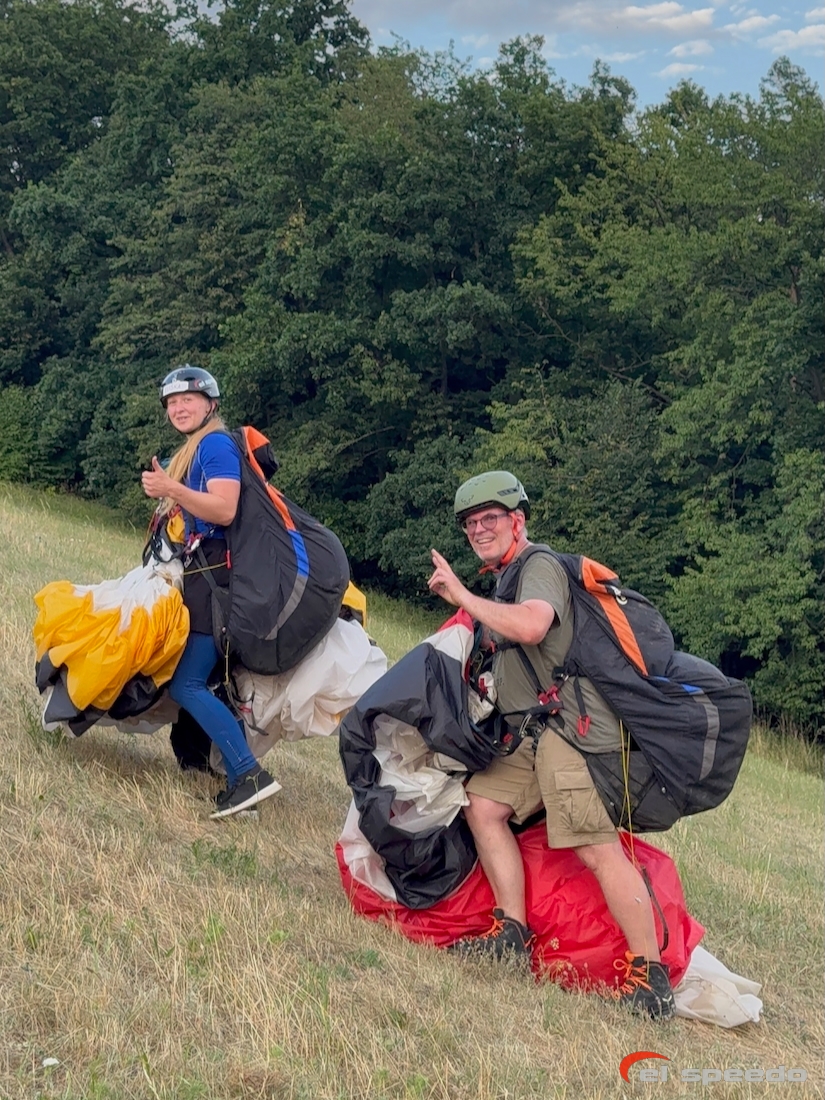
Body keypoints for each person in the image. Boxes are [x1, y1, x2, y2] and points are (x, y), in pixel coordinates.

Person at [427, 471, 675, 1020]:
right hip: (535, 732)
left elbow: (535, 627)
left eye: (490, 519)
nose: (479, 530)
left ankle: (649, 976)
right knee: (483, 806)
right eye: (471, 524)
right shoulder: (506, 576)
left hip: (571, 731)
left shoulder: (537, 565)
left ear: (518, 520)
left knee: (593, 845)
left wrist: (463, 595)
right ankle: (511, 933)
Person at [141, 365, 278, 819]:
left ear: (210, 405)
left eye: (188, 400)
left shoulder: (215, 444)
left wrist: (171, 488)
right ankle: (231, 775)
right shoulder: (197, 447)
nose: (179, 408)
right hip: (207, 578)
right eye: (172, 403)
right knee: (201, 683)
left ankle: (249, 774)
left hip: (214, 581)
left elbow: (224, 507)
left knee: (188, 683)